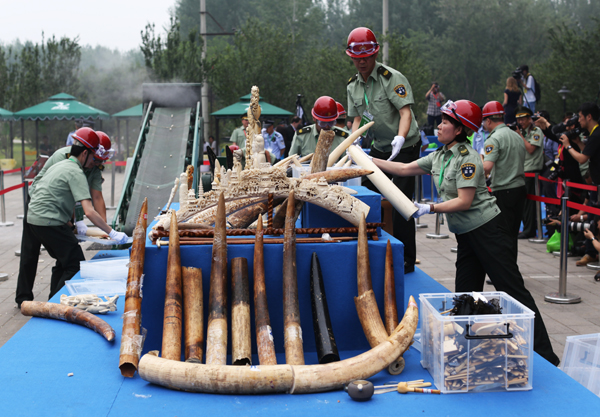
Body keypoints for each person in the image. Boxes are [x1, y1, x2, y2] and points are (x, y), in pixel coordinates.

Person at [370, 99, 559, 365]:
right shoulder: (439, 155)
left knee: (512, 289)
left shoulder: (468, 158)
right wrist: (368, 159)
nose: (439, 125)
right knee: (465, 293)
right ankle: (466, 351)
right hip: (466, 235)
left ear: (459, 129)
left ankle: (546, 355)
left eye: (446, 122)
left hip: (488, 231)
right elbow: (402, 168)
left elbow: (464, 201)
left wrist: (429, 207)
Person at [15, 128, 127, 306]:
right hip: (42, 207)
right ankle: (31, 300)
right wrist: (111, 231)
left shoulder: (80, 164)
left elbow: (94, 197)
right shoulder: (65, 160)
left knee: (66, 256)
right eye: (94, 159)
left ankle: (54, 296)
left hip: (53, 210)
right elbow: (79, 203)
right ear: (86, 152)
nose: (95, 164)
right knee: (35, 255)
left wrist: (100, 228)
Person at [346, 27, 421, 273]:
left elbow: (405, 112)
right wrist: (353, 139)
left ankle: (406, 259)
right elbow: (357, 118)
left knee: (401, 203)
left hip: (405, 147)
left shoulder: (391, 78)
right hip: (378, 148)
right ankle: (371, 247)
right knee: (367, 195)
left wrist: (400, 137)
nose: (362, 62)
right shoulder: (353, 86)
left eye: (366, 56)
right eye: (357, 58)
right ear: (351, 57)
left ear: (374, 54)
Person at [482, 101, 527, 259]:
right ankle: (511, 268)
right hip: (520, 188)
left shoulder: (494, 139)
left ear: (488, 120)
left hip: (503, 190)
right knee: (512, 233)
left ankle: (505, 272)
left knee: (501, 234)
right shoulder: (516, 135)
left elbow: (486, 167)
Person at [515, 106, 544, 239]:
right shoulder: (523, 132)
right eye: (518, 119)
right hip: (523, 170)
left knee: (530, 204)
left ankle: (529, 230)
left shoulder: (536, 131)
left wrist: (519, 135)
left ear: (529, 118)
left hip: (532, 170)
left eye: (523, 119)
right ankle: (526, 228)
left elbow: (531, 149)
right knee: (523, 202)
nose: (521, 122)